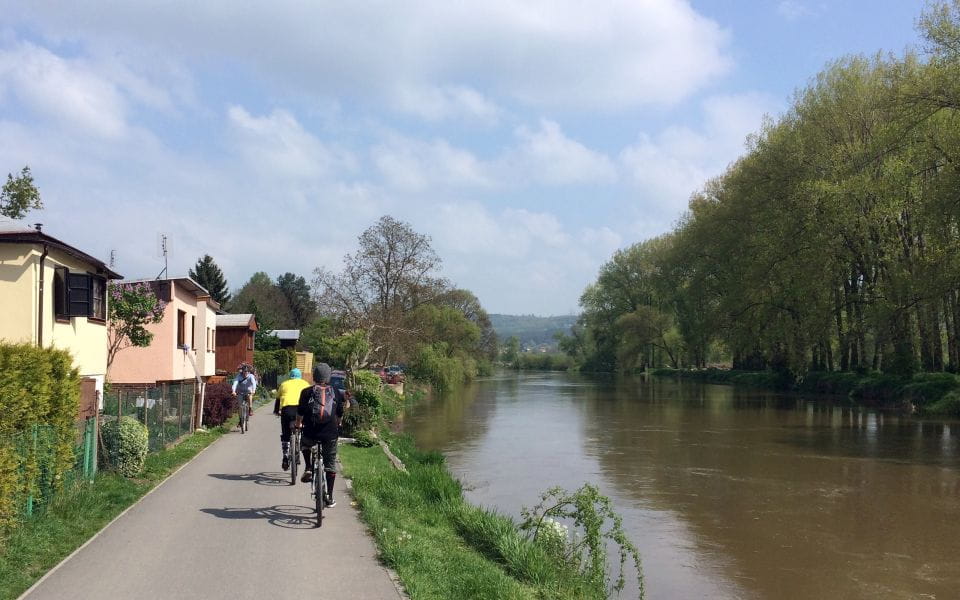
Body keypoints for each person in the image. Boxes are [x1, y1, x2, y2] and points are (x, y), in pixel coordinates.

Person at [296, 363, 345, 508]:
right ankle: (329, 496)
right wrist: (339, 424)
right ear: (328, 376)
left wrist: (298, 424)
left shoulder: (306, 392)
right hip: (329, 433)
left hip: (311, 431)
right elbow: (340, 412)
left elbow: (300, 412)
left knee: (304, 443)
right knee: (330, 464)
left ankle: (309, 467)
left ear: (314, 376)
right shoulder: (335, 391)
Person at [274, 367, 310, 470]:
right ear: (300, 376)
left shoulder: (284, 384)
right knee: (304, 429)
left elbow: (277, 399)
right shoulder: (305, 384)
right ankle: (302, 443)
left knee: (286, 434)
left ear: (290, 375)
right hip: (301, 410)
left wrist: (277, 411)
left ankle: (285, 456)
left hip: (287, 409)